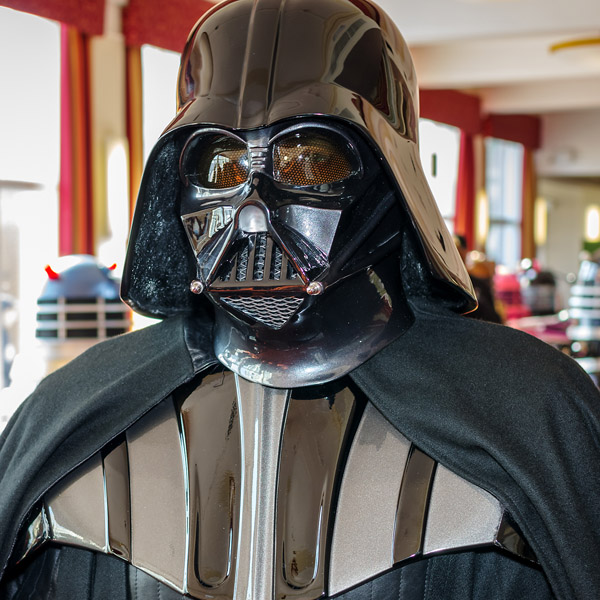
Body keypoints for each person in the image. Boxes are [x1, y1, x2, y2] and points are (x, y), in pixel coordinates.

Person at [1, 1, 599, 599]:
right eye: (220, 164)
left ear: (390, 177)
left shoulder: (529, 406)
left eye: (307, 161)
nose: (252, 213)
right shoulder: (69, 413)